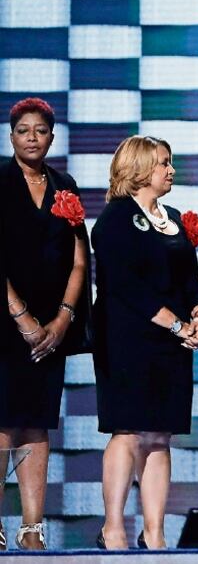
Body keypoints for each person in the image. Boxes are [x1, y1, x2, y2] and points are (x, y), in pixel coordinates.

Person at [92, 136, 198, 550]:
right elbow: (126, 286)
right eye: (163, 163)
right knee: (128, 431)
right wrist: (176, 325)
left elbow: (190, 277)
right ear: (140, 168)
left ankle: (155, 534)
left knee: (160, 435)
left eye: (171, 162)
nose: (171, 169)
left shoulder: (173, 218)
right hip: (126, 340)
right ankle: (114, 529)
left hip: (171, 343)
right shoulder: (115, 219)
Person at [0, 98, 90, 550]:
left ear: (52, 137)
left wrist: (61, 321)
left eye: (40, 131)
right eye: (23, 130)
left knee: (36, 423)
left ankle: (32, 528)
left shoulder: (64, 185)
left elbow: (79, 261)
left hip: (50, 330)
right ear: (11, 135)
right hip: (5, 323)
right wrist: (22, 318)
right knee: (2, 421)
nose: (32, 137)